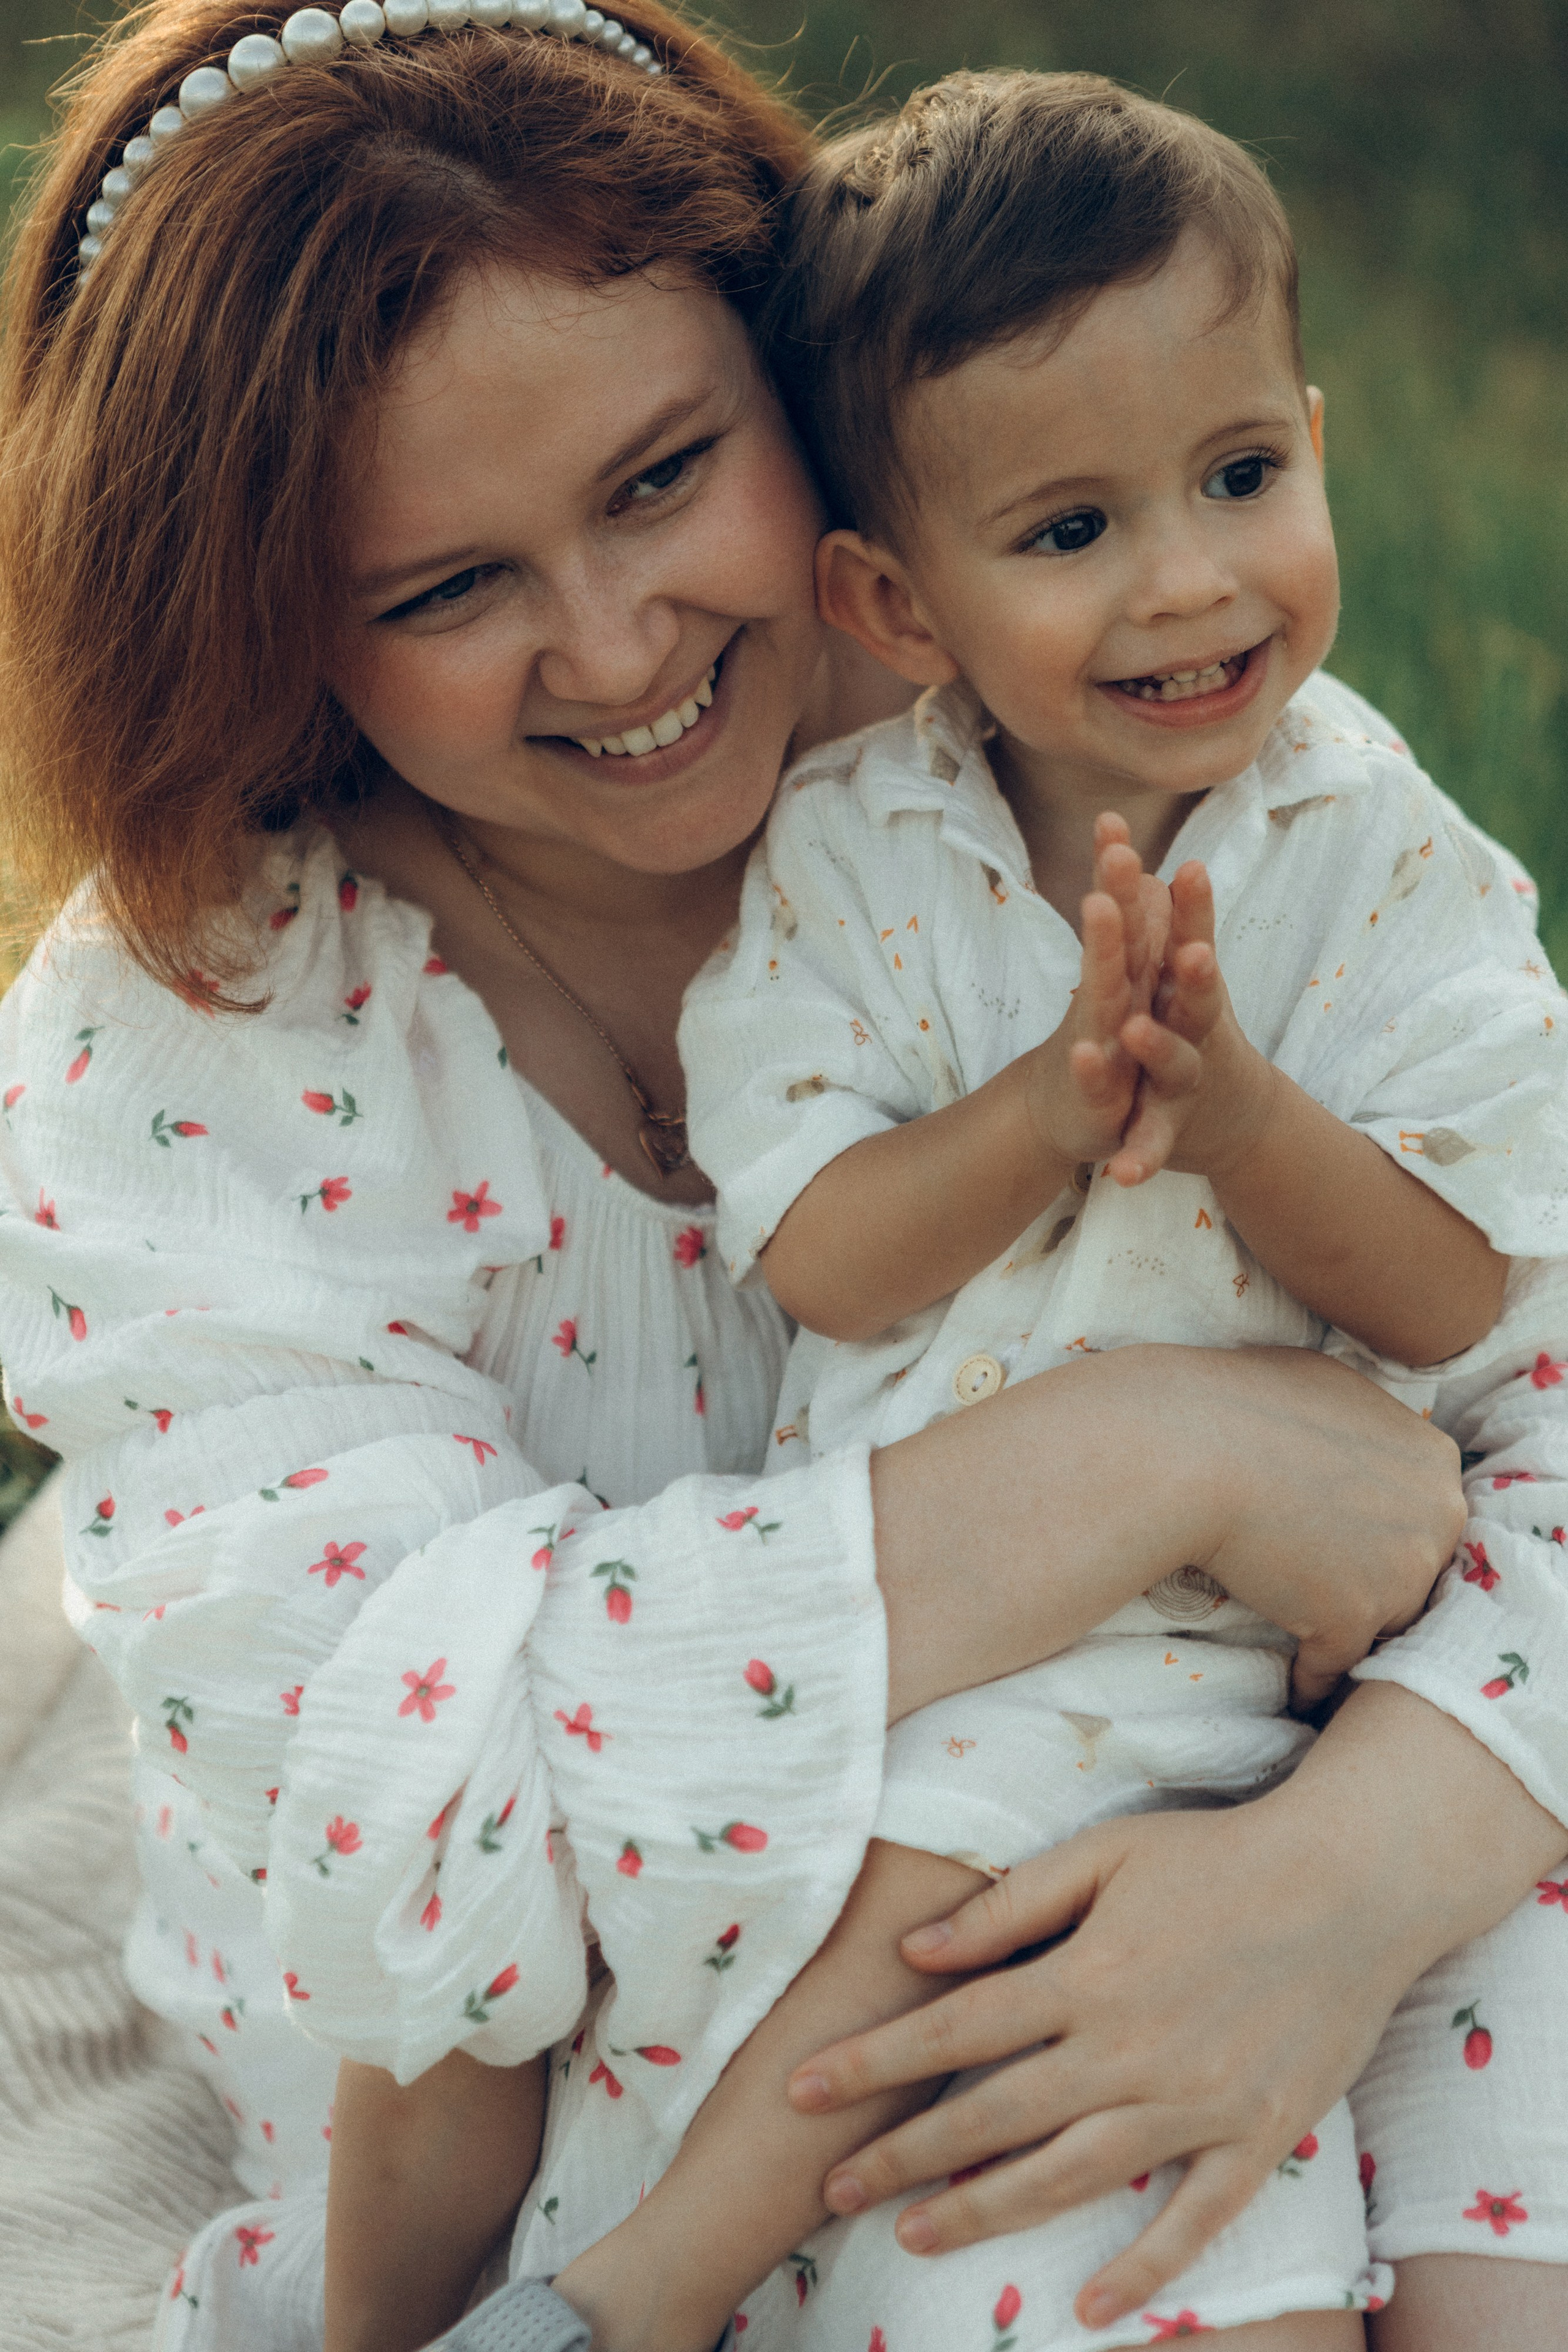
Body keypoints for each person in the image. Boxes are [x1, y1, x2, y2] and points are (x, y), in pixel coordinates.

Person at [0, 11, 1559, 2352]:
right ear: (264, 620)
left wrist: (1349, 1875)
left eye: (662, 478)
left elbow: (1521, 1353)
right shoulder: (203, 1033)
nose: (621, 650)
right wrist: (1161, 1457)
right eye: (444, 590)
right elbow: (410, 1813)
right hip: (633, 2044)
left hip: (1264, 1811)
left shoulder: (1114, 725)